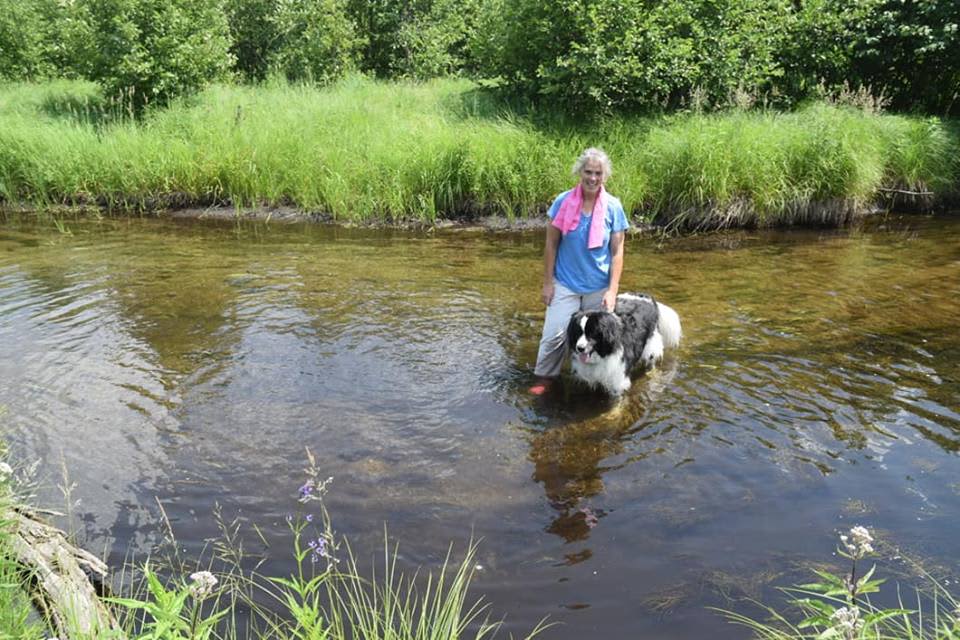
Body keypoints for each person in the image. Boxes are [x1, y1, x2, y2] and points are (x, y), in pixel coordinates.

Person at [529, 147, 629, 395]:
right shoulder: (562, 202)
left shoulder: (614, 207)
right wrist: (547, 283)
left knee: (601, 339)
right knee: (553, 338)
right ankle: (545, 378)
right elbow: (551, 244)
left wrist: (613, 290)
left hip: (599, 287)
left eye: (598, 173)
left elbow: (617, 253)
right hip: (565, 282)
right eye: (588, 172)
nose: (592, 178)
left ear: (604, 175)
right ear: (580, 172)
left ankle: (598, 381)